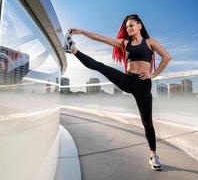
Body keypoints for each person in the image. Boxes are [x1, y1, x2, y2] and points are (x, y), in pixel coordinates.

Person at [63, 14, 171, 171]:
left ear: (140, 25)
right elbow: (100, 38)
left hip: (143, 85)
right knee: (100, 66)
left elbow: (167, 57)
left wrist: (153, 74)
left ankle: (153, 155)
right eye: (127, 27)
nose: (129, 28)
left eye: (132, 25)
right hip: (127, 80)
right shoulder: (125, 43)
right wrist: (82, 31)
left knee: (147, 122)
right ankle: (72, 48)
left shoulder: (150, 42)